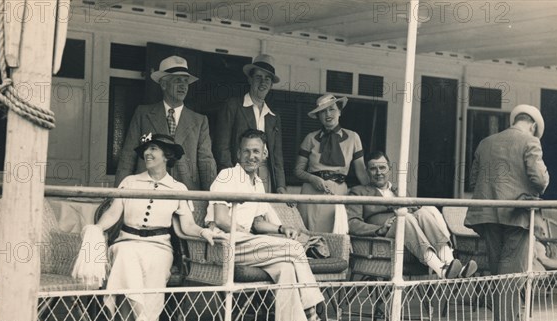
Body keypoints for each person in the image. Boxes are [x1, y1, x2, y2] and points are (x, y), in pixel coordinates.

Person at [206, 129, 341, 321]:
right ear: (238, 153)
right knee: (295, 248)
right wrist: (246, 232)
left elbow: (258, 222)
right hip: (226, 245)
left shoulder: (258, 183)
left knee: (286, 268)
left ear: (265, 153)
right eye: (246, 151)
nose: (251, 156)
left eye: (256, 151)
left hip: (250, 246)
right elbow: (219, 219)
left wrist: (280, 230)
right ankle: (313, 319)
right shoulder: (227, 176)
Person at [97, 133, 220, 321]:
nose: (148, 153)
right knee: (125, 256)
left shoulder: (178, 188)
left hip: (159, 246)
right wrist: (96, 229)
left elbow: (188, 225)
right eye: (146, 149)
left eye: (153, 148)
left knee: (150, 264)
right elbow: (113, 214)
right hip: (127, 240)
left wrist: (203, 231)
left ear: (167, 155)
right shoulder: (130, 182)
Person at [465, 104, 550, 321]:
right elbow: (540, 180)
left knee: (499, 268)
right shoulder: (530, 142)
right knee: (513, 270)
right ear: (532, 125)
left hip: (488, 213)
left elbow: (473, 179)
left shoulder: (486, 142)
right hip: (516, 214)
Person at [347, 151, 478, 279]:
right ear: (367, 171)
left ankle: (450, 263)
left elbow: (416, 213)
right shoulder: (359, 192)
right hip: (384, 235)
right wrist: (378, 229)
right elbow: (352, 223)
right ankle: (441, 269)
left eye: (382, 167)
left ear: (389, 169)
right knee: (405, 218)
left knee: (422, 213)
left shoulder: (400, 190)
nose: (379, 172)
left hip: (408, 235)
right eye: (373, 169)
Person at [115, 56, 217, 191]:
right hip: (147, 191)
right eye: (177, 80)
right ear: (163, 84)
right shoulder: (143, 114)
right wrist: (117, 194)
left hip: (186, 194)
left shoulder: (199, 121)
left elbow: (206, 163)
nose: (183, 86)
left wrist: (213, 200)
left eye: (185, 81)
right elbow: (128, 157)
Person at [213, 54, 287, 194]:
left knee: (262, 213)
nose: (263, 82)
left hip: (265, 174)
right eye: (258, 77)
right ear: (250, 79)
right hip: (238, 171)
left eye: (267, 79)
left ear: (271, 85)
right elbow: (222, 147)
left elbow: (277, 156)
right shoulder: (233, 106)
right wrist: (230, 176)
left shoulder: (273, 116)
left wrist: (281, 186)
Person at [295, 94, 369, 232]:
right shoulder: (310, 138)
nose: (328, 114)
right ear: (318, 116)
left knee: (335, 235)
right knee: (308, 236)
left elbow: (361, 172)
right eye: (323, 111)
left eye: (332, 109)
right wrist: (312, 178)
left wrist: (373, 193)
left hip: (338, 191)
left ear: (340, 111)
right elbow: (298, 170)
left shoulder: (353, 137)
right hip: (311, 193)